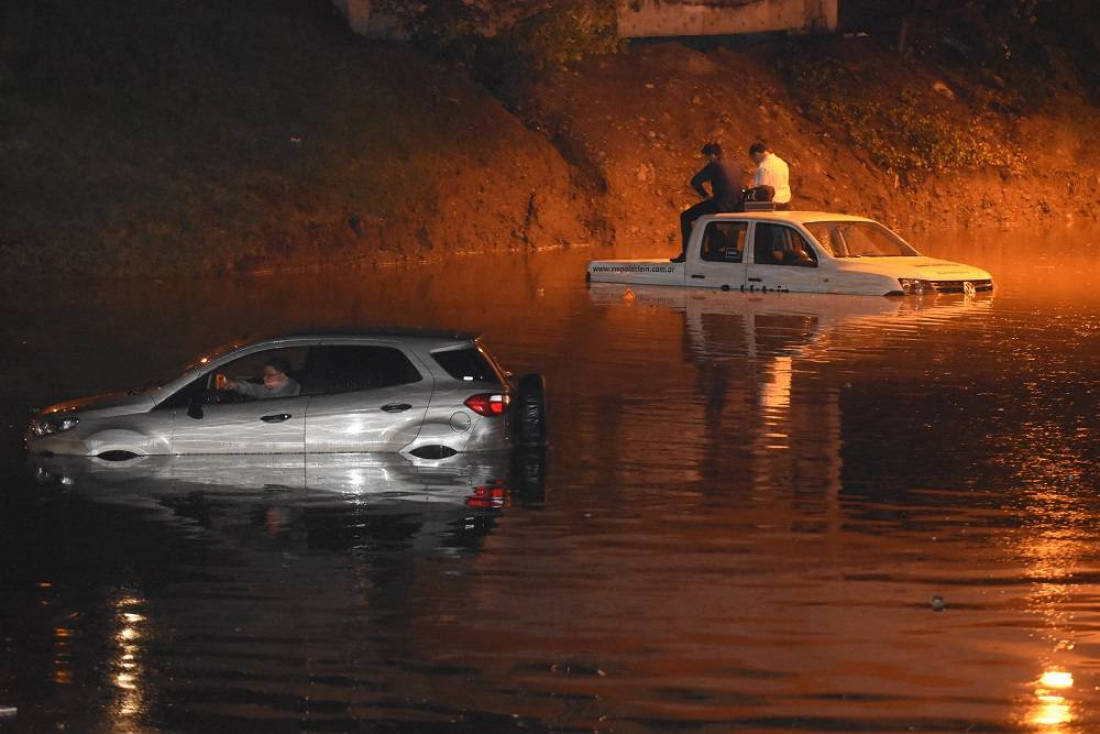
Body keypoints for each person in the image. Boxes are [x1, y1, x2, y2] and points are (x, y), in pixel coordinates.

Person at [672, 141, 745, 263]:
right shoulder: (735, 165)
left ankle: (687, 254)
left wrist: (705, 195)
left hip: (721, 204)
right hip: (738, 204)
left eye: (706, 157)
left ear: (712, 155)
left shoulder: (714, 165)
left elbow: (695, 181)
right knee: (708, 216)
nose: (706, 160)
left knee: (685, 216)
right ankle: (717, 244)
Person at [220, 356, 301, 399]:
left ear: (283, 376)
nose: (264, 378)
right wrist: (237, 385)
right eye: (265, 375)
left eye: (269, 375)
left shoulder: (291, 394)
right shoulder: (273, 389)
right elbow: (254, 389)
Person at [749, 142, 792, 210]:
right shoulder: (782, 163)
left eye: (753, 159)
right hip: (785, 204)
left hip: (771, 206)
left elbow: (761, 192)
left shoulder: (763, 167)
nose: (755, 162)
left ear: (756, 154)